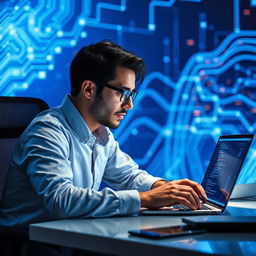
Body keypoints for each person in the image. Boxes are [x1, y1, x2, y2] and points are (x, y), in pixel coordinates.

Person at [0, 40, 206, 228]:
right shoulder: (47, 130)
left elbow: (128, 176)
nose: (130, 105)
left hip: (72, 234)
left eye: (132, 94)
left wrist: (167, 188)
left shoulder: (101, 134)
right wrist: (147, 198)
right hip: (33, 242)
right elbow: (61, 200)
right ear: (89, 89)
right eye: (122, 93)